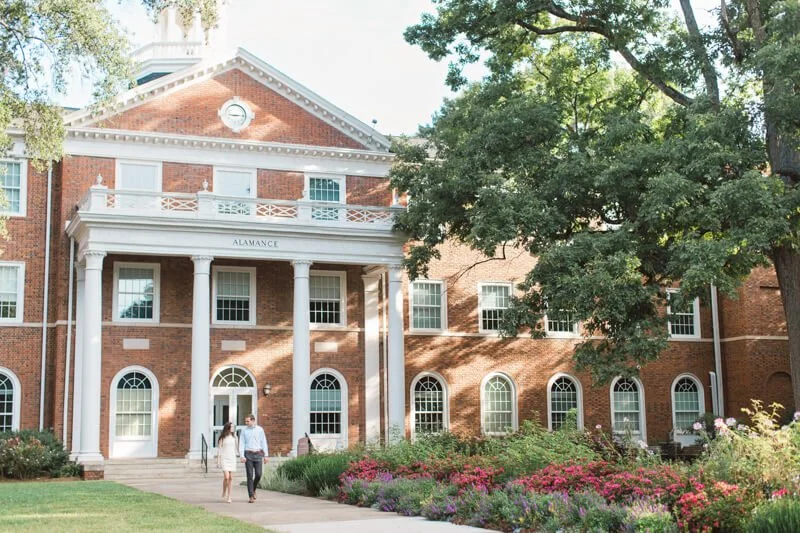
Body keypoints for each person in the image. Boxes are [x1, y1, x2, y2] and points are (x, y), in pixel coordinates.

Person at [238, 413, 269, 503]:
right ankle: (251, 496)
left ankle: (253, 489)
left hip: (258, 454)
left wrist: (266, 455)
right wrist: (242, 455)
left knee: (259, 474)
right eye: (246, 421)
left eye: (247, 421)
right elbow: (242, 443)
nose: (246, 423)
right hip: (248, 454)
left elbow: (264, 442)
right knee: (249, 475)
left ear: (253, 420)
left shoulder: (260, 430)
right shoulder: (244, 431)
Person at [216, 421, 237, 503]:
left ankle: (229, 496)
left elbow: (237, 448)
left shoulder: (235, 437)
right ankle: (224, 491)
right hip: (224, 458)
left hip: (232, 458)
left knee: (231, 478)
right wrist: (218, 461)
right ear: (228, 428)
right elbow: (219, 450)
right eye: (231, 427)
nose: (233, 428)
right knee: (226, 477)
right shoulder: (222, 438)